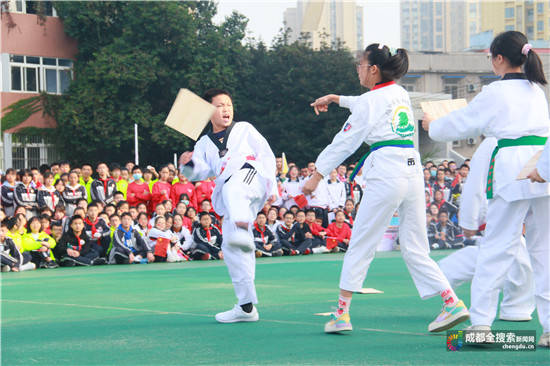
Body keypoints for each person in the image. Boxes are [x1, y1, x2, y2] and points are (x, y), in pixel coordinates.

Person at [306, 43, 469, 334]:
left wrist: (317, 174)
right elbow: (367, 104)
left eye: (360, 64)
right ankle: (451, 302)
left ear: (373, 69)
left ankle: (342, 314)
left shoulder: (372, 101)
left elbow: (345, 141)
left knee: (362, 242)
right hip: (411, 171)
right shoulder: (399, 93)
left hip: (387, 173)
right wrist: (337, 99)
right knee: (415, 246)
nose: (357, 68)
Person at [422, 31, 549, 346]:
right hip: (541, 164)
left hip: (512, 168)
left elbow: (463, 122)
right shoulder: (536, 90)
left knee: (496, 249)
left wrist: (432, 127)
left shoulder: (496, 92)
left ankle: (480, 325)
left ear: (499, 59)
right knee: (544, 252)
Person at [179, 88, 277, 323]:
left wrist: (273, 186)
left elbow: (266, 154)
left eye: (229, 105)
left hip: (252, 177)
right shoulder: (203, 143)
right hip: (232, 199)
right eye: (220, 105)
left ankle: (242, 231)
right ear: (208, 110)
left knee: (235, 188)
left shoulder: (244, 128)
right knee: (232, 250)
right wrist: (187, 164)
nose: (226, 109)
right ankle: (245, 307)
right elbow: (201, 171)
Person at [439, 136, 535, 323]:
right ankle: (441, 279)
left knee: (514, 258)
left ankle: (515, 308)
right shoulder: (493, 142)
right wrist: (470, 219)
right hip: (494, 212)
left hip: (514, 210)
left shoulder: (532, 137)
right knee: (500, 257)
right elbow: (475, 184)